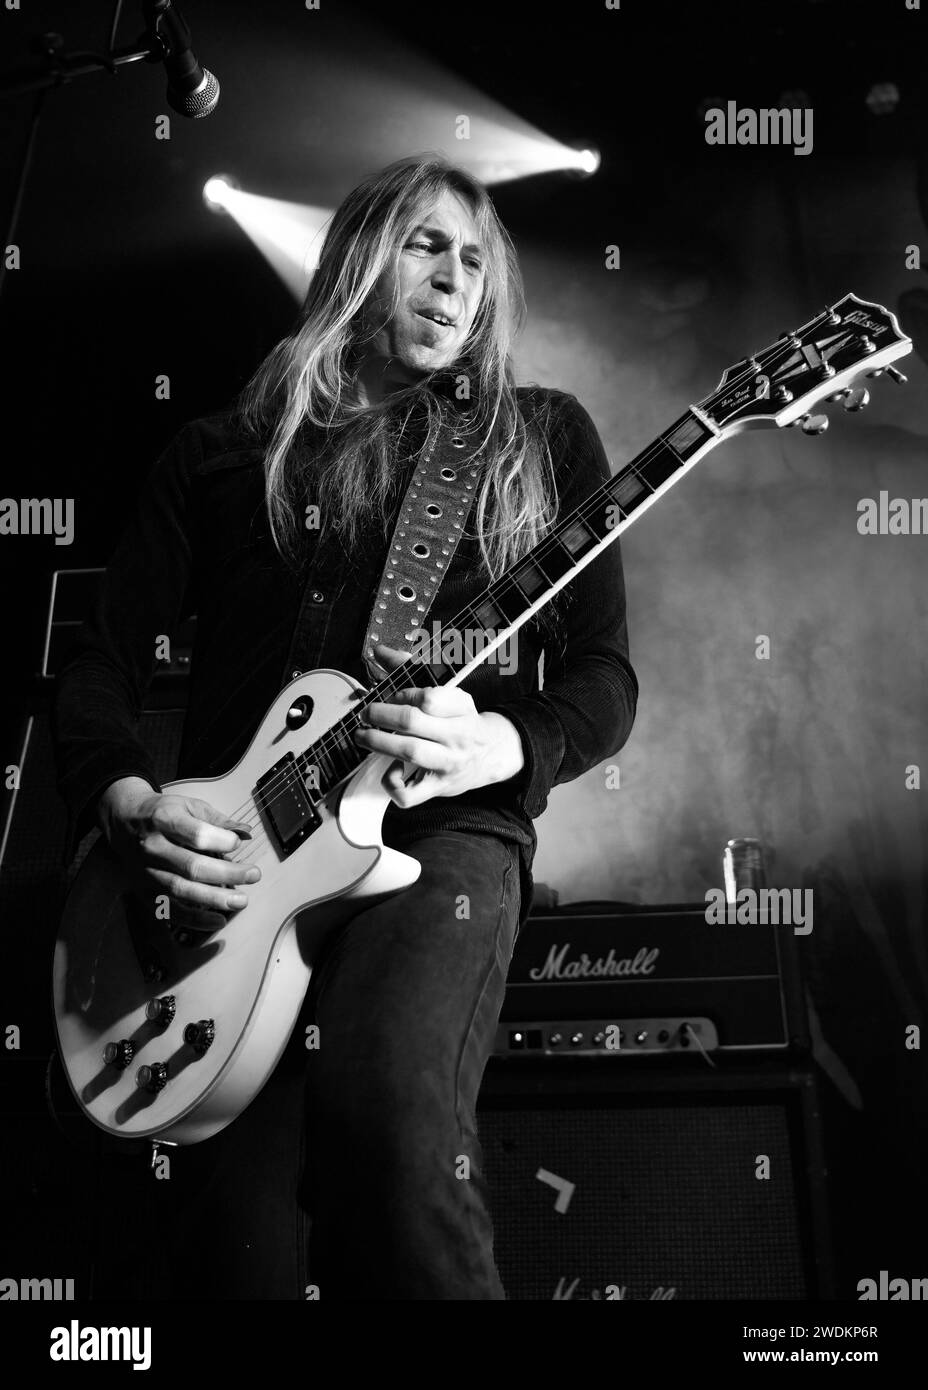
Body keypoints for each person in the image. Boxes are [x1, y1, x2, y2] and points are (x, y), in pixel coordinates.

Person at [52, 154, 638, 1300]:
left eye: (476, 259)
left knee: (387, 1126)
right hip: (225, 879)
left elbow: (602, 678)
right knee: (236, 1250)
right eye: (425, 244)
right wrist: (123, 802)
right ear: (358, 259)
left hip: (434, 840)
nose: (454, 276)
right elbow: (99, 663)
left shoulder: (536, 436)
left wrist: (508, 744)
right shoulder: (221, 452)